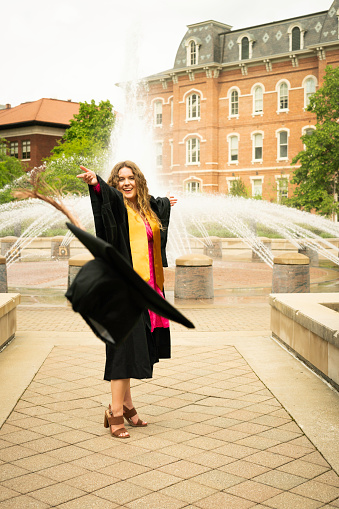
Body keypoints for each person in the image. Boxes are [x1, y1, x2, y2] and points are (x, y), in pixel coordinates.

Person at [77, 161, 177, 438]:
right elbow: (105, 198)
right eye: (120, 179)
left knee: (133, 348)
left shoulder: (144, 209)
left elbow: (157, 211)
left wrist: (166, 203)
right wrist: (96, 183)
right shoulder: (118, 209)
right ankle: (115, 413)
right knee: (121, 351)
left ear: (138, 180)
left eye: (131, 178)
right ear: (115, 184)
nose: (126, 183)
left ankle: (128, 406)